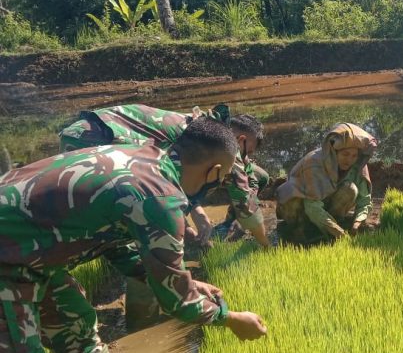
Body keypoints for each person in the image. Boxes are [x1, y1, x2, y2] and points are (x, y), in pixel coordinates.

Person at [0, 117, 267, 353]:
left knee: (74, 320)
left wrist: (188, 279)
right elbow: (178, 304)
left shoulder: (144, 158)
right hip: (10, 263)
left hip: (27, 252)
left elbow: (114, 242)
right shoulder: (161, 199)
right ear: (215, 171)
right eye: (225, 177)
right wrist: (230, 318)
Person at [59, 103, 271, 248]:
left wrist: (196, 213)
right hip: (97, 139)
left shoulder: (199, 125)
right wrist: (266, 245)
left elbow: (179, 179)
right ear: (241, 140)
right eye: (247, 151)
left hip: (81, 133)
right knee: (122, 215)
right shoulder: (223, 146)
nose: (244, 159)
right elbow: (246, 203)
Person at [276, 122, 377, 243]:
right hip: (302, 207)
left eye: (354, 155)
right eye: (345, 154)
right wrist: (339, 233)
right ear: (334, 152)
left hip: (325, 205)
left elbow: (364, 200)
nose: (349, 160)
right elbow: (312, 207)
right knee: (292, 200)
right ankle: (299, 233)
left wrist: (357, 222)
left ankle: (328, 229)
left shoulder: (357, 165)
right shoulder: (314, 163)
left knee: (351, 189)